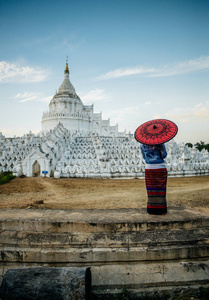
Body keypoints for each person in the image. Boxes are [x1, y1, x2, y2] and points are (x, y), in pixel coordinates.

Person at [140, 143, 167, 215]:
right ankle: (162, 210)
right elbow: (164, 155)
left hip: (149, 167)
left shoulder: (142, 144)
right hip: (160, 167)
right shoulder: (161, 143)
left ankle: (152, 210)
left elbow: (144, 157)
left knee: (151, 189)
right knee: (161, 189)